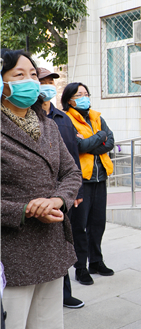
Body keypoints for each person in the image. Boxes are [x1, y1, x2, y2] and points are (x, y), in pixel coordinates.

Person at [1, 49, 81, 329]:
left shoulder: (47, 125)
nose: (31, 81)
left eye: (33, 74)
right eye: (19, 75)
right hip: (11, 252)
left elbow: (71, 172)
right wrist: (25, 210)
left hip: (51, 244)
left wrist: (57, 200)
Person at [39, 67, 86, 309]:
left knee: (66, 240)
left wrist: (76, 190)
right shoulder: (32, 118)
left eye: (51, 81)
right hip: (40, 193)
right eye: (42, 81)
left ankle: (65, 293)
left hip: (65, 193)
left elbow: (73, 158)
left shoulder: (63, 119)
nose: (48, 85)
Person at [63, 82, 115, 285]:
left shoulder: (97, 117)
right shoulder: (66, 120)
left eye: (86, 93)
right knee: (80, 226)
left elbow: (110, 142)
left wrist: (91, 143)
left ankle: (96, 261)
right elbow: (78, 146)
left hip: (100, 177)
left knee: (98, 223)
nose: (84, 97)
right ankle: (81, 267)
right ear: (69, 100)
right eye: (79, 95)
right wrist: (99, 137)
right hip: (81, 180)